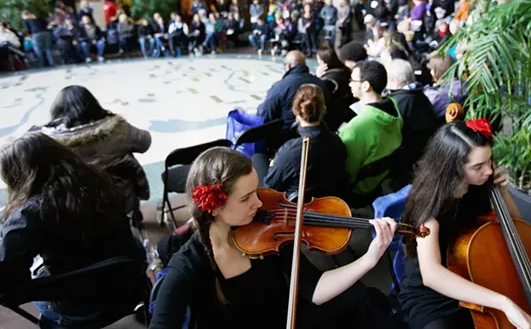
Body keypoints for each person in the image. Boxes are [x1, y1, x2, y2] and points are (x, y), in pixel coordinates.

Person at [149, 147, 399, 329]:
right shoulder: (185, 268)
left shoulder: (268, 230)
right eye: (246, 198)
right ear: (214, 207)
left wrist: (370, 258)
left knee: (365, 301)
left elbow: (314, 288)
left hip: (288, 317)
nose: (258, 203)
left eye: (256, 192)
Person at [399, 121, 531, 329]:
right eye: (478, 166)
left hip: (473, 273)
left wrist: (503, 194)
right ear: (452, 167)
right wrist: (504, 303)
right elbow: (432, 275)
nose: (489, 171)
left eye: (489, 161)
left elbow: (518, 228)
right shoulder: (428, 207)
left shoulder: (480, 185)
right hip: (433, 294)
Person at [0, 134, 147, 327]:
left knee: (39, 278)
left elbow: (7, 282)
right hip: (128, 288)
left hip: (77, 309)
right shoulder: (103, 181)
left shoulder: (29, 213)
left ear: (17, 175)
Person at [38, 85, 151, 215]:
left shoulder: (47, 140)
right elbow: (145, 143)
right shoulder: (118, 128)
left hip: (77, 203)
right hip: (121, 197)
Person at [256, 84, 347, 199]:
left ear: (295, 110)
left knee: (257, 158)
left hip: (293, 204)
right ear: (323, 110)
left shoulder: (290, 150)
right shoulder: (337, 141)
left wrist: (274, 165)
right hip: (325, 199)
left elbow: (270, 188)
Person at [340, 61, 402, 200]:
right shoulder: (394, 106)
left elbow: (345, 171)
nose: (349, 83)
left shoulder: (358, 126)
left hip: (358, 191)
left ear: (366, 86)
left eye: (353, 80)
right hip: (378, 183)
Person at [385, 59, 438, 177]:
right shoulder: (420, 94)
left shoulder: (398, 102)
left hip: (410, 159)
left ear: (395, 81)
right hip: (427, 150)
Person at [257, 50, 329, 128]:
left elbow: (264, 116)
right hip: (319, 129)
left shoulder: (280, 87)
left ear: (288, 66)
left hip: (287, 135)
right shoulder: (320, 83)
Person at [424, 55, 467, 119]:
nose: (430, 72)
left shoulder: (438, 95)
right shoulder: (464, 84)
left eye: (432, 69)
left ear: (438, 71)